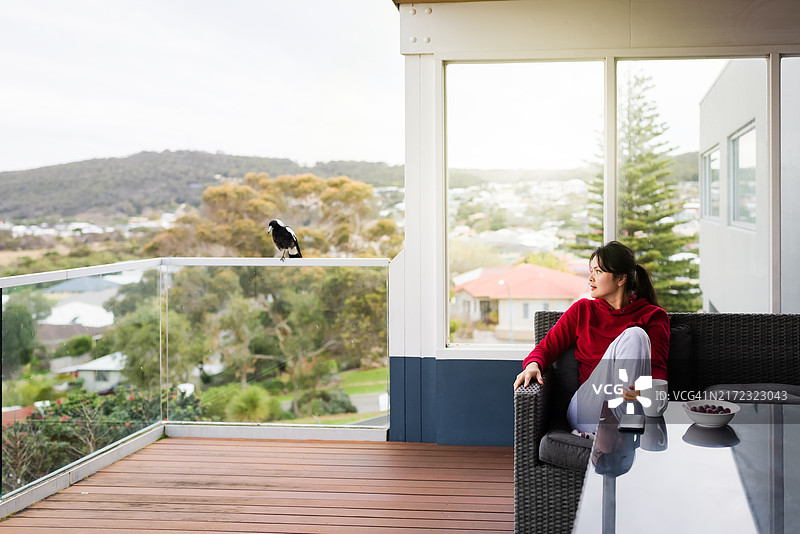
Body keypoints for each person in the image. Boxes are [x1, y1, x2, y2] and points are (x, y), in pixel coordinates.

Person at [512, 241, 670, 434]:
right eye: (591, 271)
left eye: (598, 271)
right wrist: (533, 365)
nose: (590, 278)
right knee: (635, 334)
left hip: (633, 406)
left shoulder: (653, 315)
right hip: (587, 409)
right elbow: (546, 348)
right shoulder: (582, 310)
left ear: (620, 279)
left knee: (636, 336)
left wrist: (651, 398)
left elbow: (657, 369)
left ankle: (616, 433)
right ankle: (620, 431)